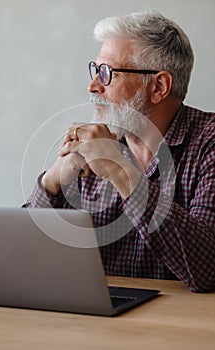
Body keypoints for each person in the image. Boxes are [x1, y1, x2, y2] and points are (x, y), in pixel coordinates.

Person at [25, 10, 215, 292]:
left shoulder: (208, 143)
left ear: (158, 87)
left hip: (182, 330)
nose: (92, 86)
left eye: (107, 73)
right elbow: (26, 260)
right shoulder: (90, 147)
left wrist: (120, 172)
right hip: (97, 323)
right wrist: (52, 183)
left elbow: (207, 270)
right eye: (95, 69)